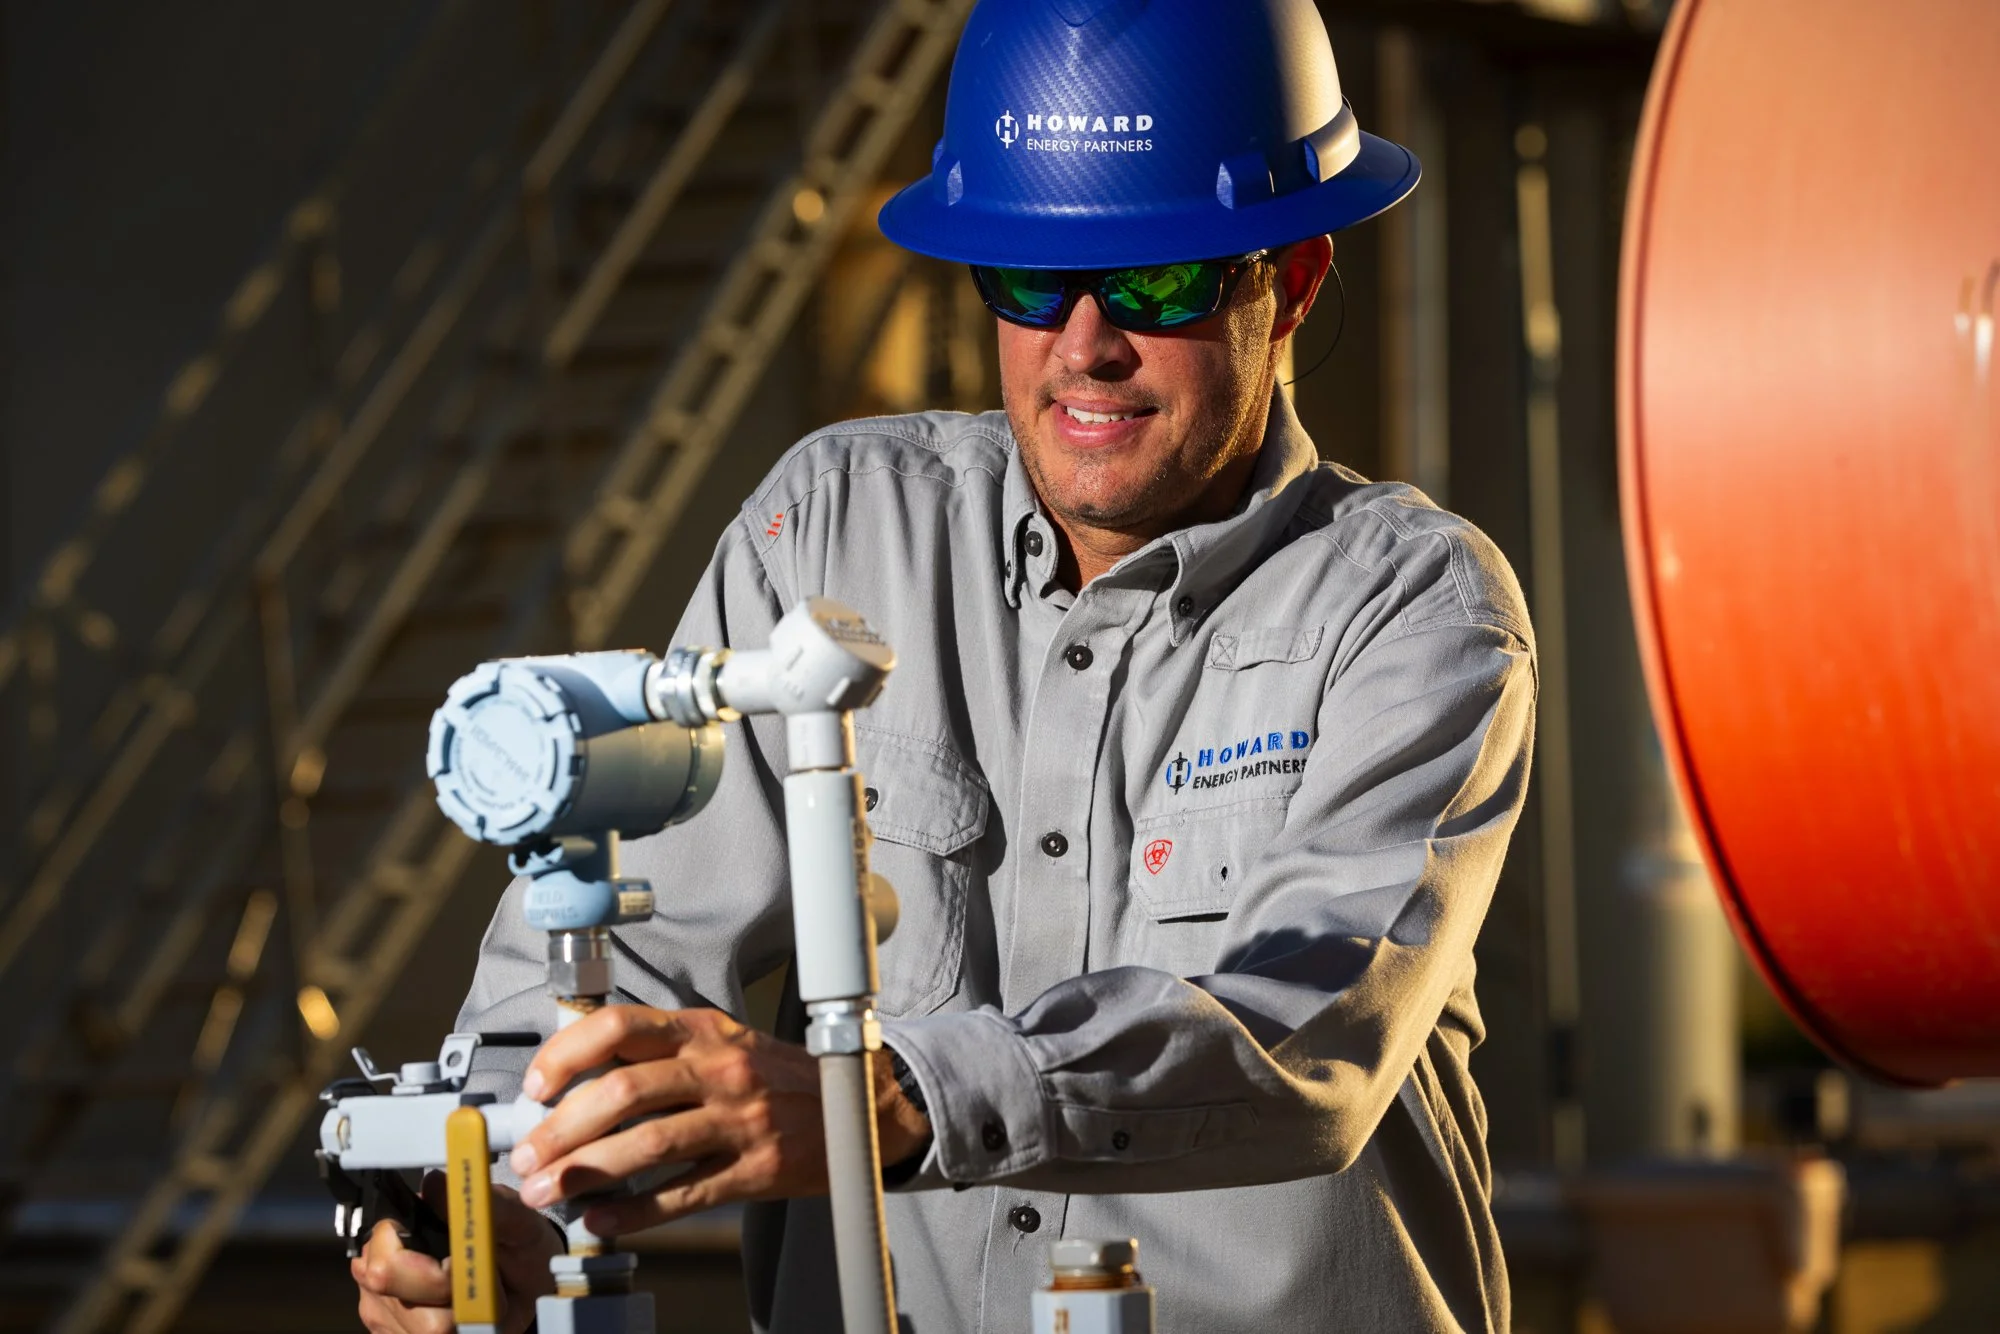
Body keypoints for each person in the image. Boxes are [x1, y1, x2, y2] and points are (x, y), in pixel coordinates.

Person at [354, 1, 1535, 1330]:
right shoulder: (835, 528)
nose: (1083, 344)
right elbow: (612, 945)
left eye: (1155, 283)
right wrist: (488, 1186)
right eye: (1027, 277)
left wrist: (891, 1100)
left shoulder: (1411, 608)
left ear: (1296, 273)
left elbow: (1303, 1027)